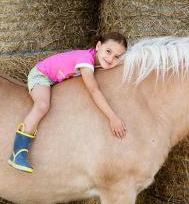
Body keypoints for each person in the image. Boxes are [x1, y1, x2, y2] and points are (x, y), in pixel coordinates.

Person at [9, 32, 128, 173]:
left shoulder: (96, 60)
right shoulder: (85, 60)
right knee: (42, 106)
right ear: (98, 45)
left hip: (57, 79)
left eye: (116, 57)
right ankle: (17, 153)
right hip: (42, 75)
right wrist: (113, 117)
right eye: (108, 51)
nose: (110, 58)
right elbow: (94, 90)